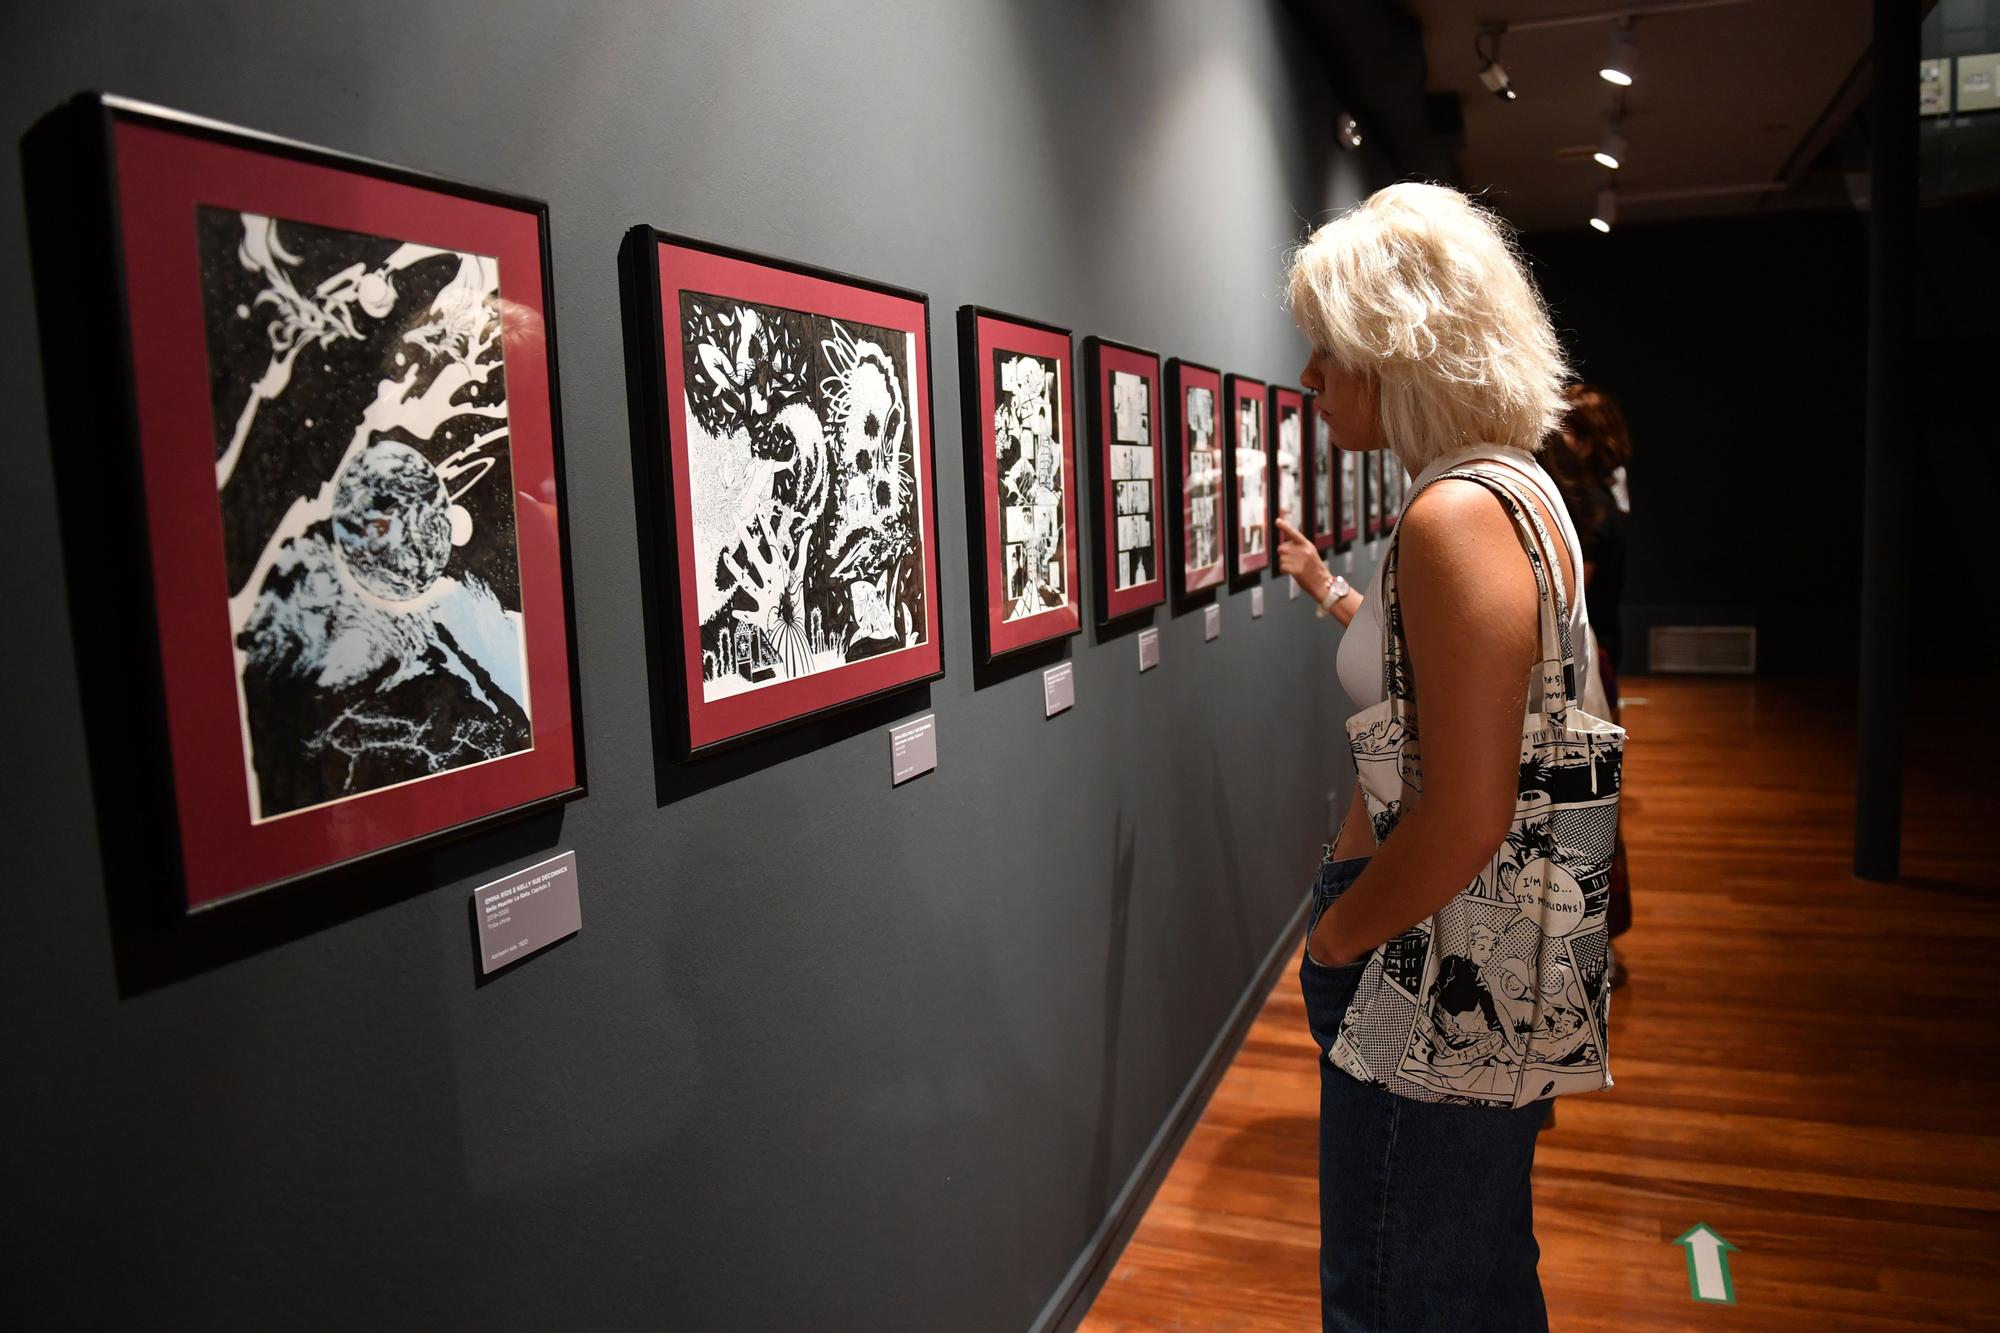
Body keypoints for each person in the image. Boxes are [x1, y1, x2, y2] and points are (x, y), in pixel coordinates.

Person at [1271, 182, 1603, 1332]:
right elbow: (1448, 692)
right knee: (1466, 1274)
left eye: (1327, 348)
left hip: (1428, 962)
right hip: (1491, 963)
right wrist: (1328, 593)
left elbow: (1464, 812)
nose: (1309, 377)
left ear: (1396, 349)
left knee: (1395, 1291)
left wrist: (1332, 935)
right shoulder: (1520, 493)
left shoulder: (1447, 517)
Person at [1542, 384, 1636, 958]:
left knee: (1585, 801)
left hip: (1587, 659)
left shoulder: (1593, 510)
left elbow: (1568, 602)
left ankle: (1591, 933)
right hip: (1600, 652)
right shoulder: (1607, 499)